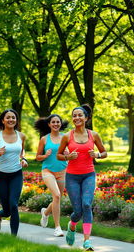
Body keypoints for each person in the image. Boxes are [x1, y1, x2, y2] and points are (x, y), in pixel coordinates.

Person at [57, 104, 107, 251]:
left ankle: (87, 242)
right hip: (72, 177)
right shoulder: (67, 136)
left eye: (80, 115)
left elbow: (104, 152)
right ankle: (72, 226)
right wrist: (68, 156)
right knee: (78, 211)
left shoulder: (94, 135)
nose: (77, 117)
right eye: (74, 115)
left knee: (86, 205)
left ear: (86, 118)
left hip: (88, 175)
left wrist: (97, 155)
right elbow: (58, 155)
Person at [0, 109, 28, 236]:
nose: (11, 120)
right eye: (8, 117)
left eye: (13, 117)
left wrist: (23, 159)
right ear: (3, 120)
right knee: (7, 210)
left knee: (14, 205)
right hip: (0, 175)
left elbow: (22, 151)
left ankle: (13, 237)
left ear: (16, 120)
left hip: (16, 174)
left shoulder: (21, 136)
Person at [35, 114, 68, 237]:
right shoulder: (44, 139)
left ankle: (45, 212)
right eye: (53, 122)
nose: (55, 124)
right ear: (49, 124)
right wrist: (45, 155)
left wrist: (68, 153)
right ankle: (57, 227)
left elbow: (70, 153)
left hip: (62, 170)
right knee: (57, 195)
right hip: (48, 170)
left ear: (60, 123)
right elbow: (37, 157)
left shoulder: (66, 137)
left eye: (57, 122)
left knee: (57, 198)